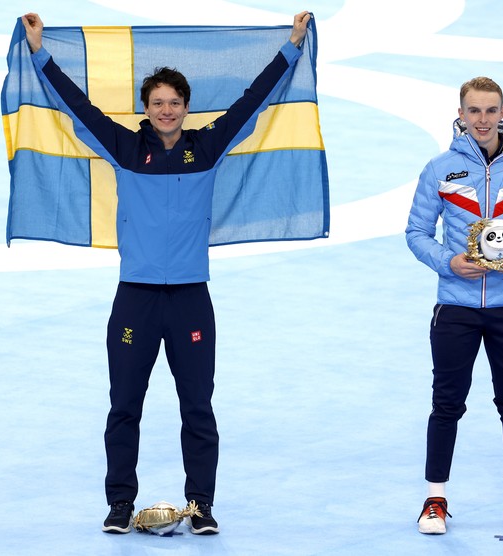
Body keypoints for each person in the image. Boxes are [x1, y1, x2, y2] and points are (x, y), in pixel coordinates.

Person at [20, 11, 311, 535]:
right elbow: (76, 105)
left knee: (198, 408)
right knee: (124, 406)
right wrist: (41, 54)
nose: (167, 110)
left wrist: (291, 47)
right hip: (135, 297)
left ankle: (200, 505)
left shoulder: (207, 146)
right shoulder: (125, 147)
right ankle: (117, 505)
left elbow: (254, 100)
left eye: (175, 103)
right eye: (157, 103)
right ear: (145, 109)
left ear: (186, 107)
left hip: (190, 299)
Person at [406, 76, 503, 535]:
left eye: (490, 110)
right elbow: (416, 233)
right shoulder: (439, 168)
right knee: (446, 404)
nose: (482, 120)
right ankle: (434, 501)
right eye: (474, 111)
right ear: (461, 113)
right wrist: (449, 262)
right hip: (455, 306)